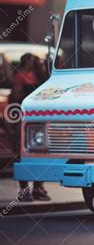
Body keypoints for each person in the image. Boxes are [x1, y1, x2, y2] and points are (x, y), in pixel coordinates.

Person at [9, 53, 51, 202]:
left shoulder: (42, 78)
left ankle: (38, 187)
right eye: (36, 63)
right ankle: (25, 189)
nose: (40, 65)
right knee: (23, 154)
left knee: (40, 153)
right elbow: (14, 98)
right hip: (26, 121)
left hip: (37, 120)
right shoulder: (22, 77)